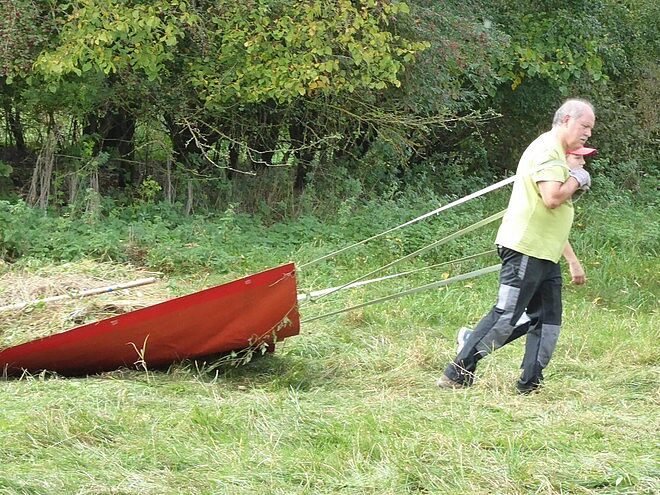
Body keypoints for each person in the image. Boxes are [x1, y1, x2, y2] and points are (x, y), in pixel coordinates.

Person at [437, 98, 596, 394]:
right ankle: (457, 372)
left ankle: (530, 385)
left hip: (545, 252)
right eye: (584, 126)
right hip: (526, 247)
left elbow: (553, 213)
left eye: (591, 128)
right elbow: (552, 197)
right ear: (565, 121)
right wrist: (577, 178)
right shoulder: (548, 149)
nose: (588, 133)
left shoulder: (560, 154)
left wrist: (571, 259)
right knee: (507, 314)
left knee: (548, 321)